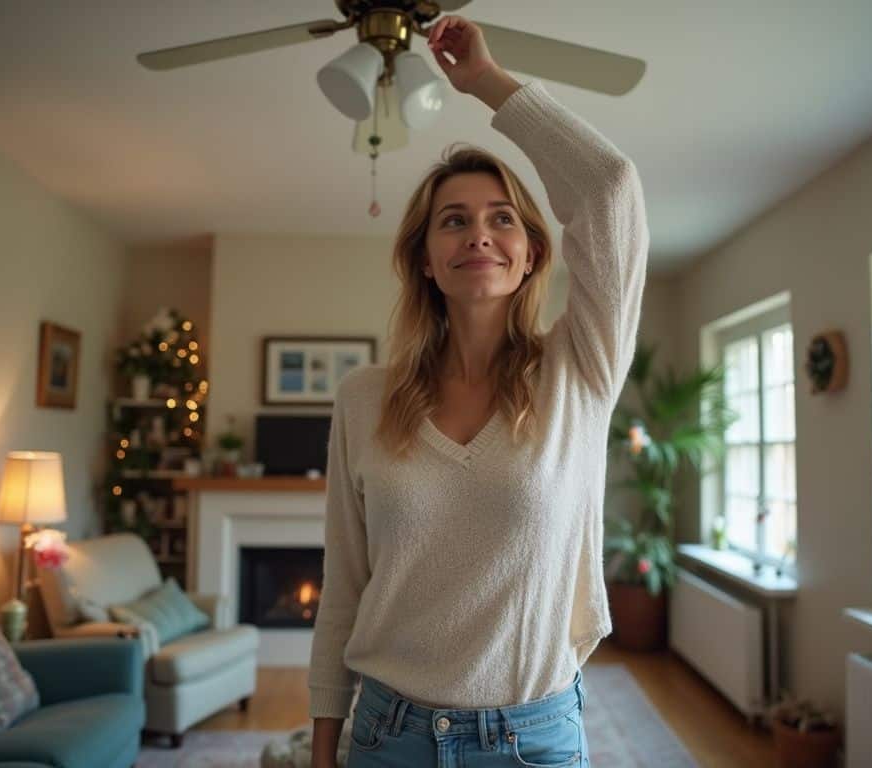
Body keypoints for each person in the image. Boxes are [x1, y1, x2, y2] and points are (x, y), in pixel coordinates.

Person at [308, 15, 648, 768]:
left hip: (532, 739)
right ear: (426, 260)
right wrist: (322, 747)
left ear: (530, 256)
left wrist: (487, 84)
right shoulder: (363, 399)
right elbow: (344, 588)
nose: (478, 235)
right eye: (452, 222)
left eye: (502, 220)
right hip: (386, 736)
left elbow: (610, 187)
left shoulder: (579, 375)